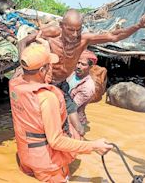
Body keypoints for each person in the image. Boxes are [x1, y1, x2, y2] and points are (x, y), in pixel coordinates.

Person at [9, 43, 113, 182]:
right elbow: (56, 141)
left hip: (25, 156)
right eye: (48, 65)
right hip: (47, 165)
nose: (51, 68)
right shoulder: (46, 97)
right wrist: (93, 145)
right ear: (42, 70)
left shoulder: (15, 84)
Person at [19, 9, 145, 84]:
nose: (74, 34)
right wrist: (23, 65)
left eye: (78, 30)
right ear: (61, 26)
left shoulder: (84, 39)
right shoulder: (52, 33)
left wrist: (138, 25)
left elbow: (114, 36)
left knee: (69, 121)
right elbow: (23, 42)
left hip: (62, 82)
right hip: (42, 80)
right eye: (70, 30)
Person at [66, 50, 97, 127]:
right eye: (78, 63)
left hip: (74, 120)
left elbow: (72, 107)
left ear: (91, 67)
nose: (79, 66)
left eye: (83, 64)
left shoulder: (88, 87)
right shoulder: (71, 73)